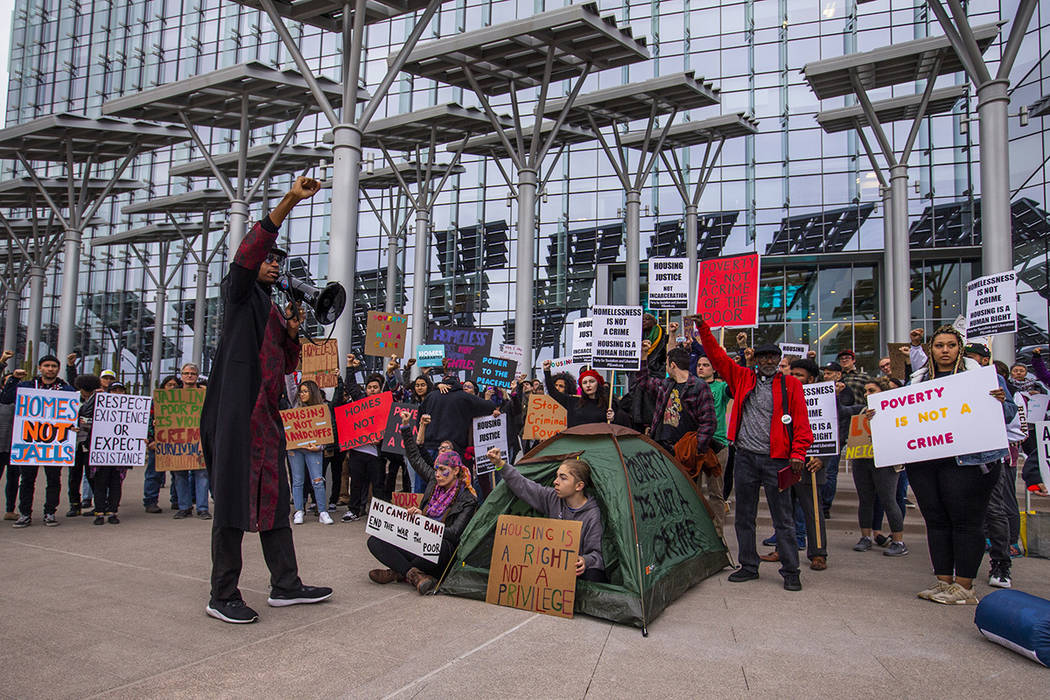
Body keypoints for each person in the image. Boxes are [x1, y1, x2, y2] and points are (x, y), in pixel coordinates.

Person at [199, 177, 332, 624]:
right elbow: (247, 252)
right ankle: (222, 594)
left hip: (266, 417)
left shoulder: (272, 308)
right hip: (235, 413)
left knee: (275, 499)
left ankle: (286, 584)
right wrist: (290, 200)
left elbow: (288, 362)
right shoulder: (238, 294)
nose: (274, 265)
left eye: (279, 261)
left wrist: (293, 333)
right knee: (234, 502)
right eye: (269, 260)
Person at [890, 324, 1016, 605]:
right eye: (938, 346)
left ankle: (965, 586)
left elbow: (1008, 414)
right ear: (931, 350)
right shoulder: (918, 381)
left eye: (950, 345)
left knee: (966, 522)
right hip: (926, 462)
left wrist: (997, 402)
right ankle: (944, 582)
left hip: (969, 463)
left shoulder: (984, 377)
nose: (944, 351)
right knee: (936, 521)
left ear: (959, 349)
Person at [693, 315, 813, 591]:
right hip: (746, 456)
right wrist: (703, 328)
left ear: (779, 359)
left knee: (782, 517)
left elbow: (801, 422)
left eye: (773, 357)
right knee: (745, 515)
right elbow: (718, 357)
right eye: (764, 357)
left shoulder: (790, 385)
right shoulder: (743, 377)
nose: (769, 361)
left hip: (777, 459)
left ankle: (791, 570)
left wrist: (799, 452)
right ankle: (748, 565)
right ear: (756, 359)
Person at [367, 411, 477, 594]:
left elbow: (455, 533)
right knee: (375, 540)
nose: (438, 474)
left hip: (441, 549)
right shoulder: (434, 483)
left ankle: (397, 571)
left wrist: (425, 523)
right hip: (418, 539)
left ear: (456, 470)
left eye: (443, 470)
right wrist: (405, 427)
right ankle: (413, 575)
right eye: (436, 470)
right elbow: (415, 458)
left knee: (440, 548)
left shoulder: (468, 498)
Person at [487, 447, 606, 583]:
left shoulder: (592, 514)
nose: (556, 481)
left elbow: (597, 554)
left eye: (563, 478)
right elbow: (524, 486)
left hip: (575, 571)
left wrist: (585, 560)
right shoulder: (552, 498)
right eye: (557, 476)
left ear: (579, 486)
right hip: (552, 567)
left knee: (594, 574)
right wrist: (500, 464)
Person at [2, 354, 74, 528]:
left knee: (54, 480)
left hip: (54, 444)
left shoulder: (65, 389)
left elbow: (74, 404)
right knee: (27, 480)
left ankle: (50, 512)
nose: (50, 369)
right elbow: (6, 398)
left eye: (54, 366)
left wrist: (71, 368)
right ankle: (25, 513)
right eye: (47, 366)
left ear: (58, 369)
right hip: (30, 442)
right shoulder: (27, 385)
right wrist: (13, 379)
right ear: (40, 368)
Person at [852, 378, 908, 557]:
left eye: (872, 391)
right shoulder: (862, 410)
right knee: (865, 499)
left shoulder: (893, 410)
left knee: (888, 500)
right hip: (862, 459)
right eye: (866, 391)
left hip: (884, 462)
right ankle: (865, 537)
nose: (867, 394)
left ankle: (898, 541)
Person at [342, 355, 388, 521]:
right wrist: (350, 367)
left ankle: (379, 514)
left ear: (380, 389)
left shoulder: (385, 405)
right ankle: (353, 510)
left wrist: (380, 439)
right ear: (366, 389)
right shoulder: (360, 401)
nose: (372, 390)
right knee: (356, 483)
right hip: (358, 451)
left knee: (378, 485)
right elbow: (352, 386)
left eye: (376, 387)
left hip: (376, 454)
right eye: (369, 387)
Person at [288, 380, 333, 525]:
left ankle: (322, 511)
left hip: (314, 449)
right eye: (300, 391)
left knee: (318, 480)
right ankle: (299, 510)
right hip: (295, 449)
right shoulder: (296, 406)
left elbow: (326, 431)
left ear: (312, 392)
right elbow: (289, 385)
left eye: (305, 391)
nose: (302, 394)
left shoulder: (322, 409)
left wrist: (320, 447)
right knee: (297, 481)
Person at [696, 353, 731, 536]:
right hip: (695, 444)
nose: (701, 367)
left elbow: (736, 387)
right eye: (699, 364)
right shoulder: (691, 387)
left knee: (716, 492)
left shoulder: (721, 387)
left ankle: (718, 534)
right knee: (694, 492)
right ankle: (698, 532)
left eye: (706, 365)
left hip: (717, 444)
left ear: (714, 369)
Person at [143, 375, 179, 514]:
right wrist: (151, 440)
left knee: (178, 474)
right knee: (154, 473)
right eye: (169, 384)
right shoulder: (155, 403)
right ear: (163, 386)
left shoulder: (183, 403)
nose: (172, 387)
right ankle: (150, 501)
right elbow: (148, 421)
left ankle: (176, 500)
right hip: (158, 443)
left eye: (175, 385)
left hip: (177, 443)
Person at [542, 361, 617, 427]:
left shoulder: (607, 404)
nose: (588, 385)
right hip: (575, 441)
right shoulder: (573, 401)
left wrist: (612, 418)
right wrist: (547, 371)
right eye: (584, 382)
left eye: (591, 381)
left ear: (598, 383)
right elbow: (553, 393)